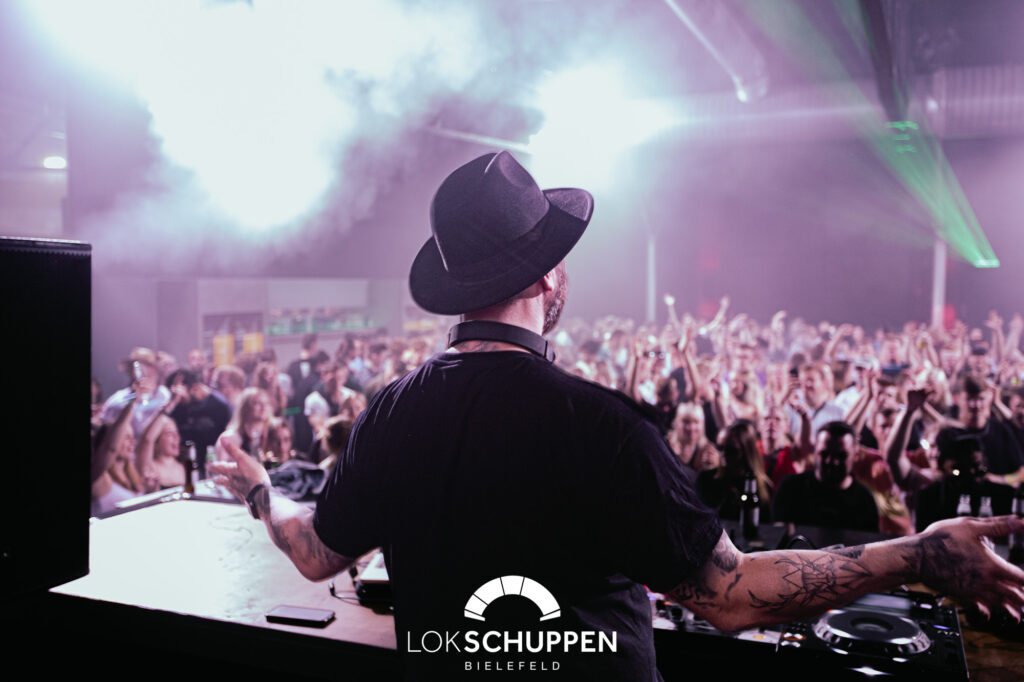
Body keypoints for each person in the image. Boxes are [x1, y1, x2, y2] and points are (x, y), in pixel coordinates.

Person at [210, 152, 1024, 680]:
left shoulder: (389, 414)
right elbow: (731, 595)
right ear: (550, 278)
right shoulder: (600, 426)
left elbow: (314, 554)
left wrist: (259, 492)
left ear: (456, 290)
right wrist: (917, 554)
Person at [772, 421, 880, 532]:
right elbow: (778, 536)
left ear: (855, 455)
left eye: (841, 455)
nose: (831, 461)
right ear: (814, 451)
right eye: (824, 454)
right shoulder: (791, 488)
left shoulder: (864, 501)